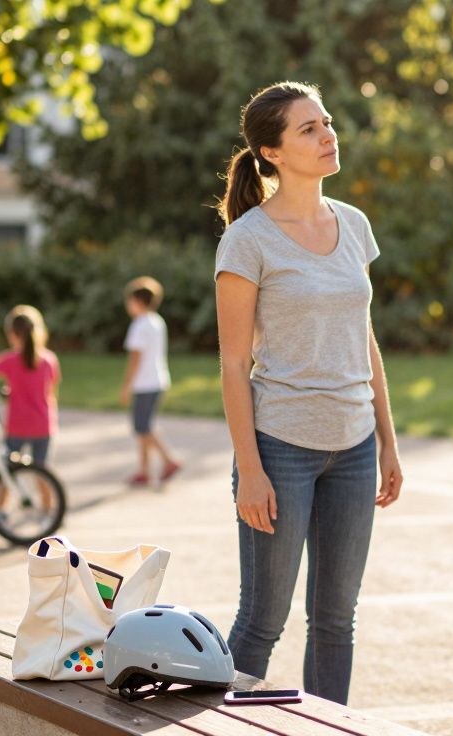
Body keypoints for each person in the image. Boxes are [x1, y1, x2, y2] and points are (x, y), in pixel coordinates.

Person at [213, 81, 403, 705]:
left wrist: (388, 443)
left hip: (354, 448)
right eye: (309, 129)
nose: (328, 136)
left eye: (327, 123)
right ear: (271, 152)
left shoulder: (354, 225)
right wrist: (250, 468)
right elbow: (235, 361)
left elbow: (364, 336)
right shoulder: (247, 239)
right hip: (280, 448)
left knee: (335, 622)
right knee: (262, 621)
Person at [0, 305, 62, 466]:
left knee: (7, 474)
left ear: (12, 334)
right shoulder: (49, 360)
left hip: (17, 425)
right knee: (44, 476)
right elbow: (51, 393)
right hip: (43, 425)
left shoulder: (10, 359)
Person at [121, 276, 180, 486]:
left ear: (138, 301)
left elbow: (135, 358)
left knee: (142, 427)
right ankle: (144, 470)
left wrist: (127, 385)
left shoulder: (139, 325)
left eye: (129, 301)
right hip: (158, 380)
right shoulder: (157, 322)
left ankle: (168, 460)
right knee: (145, 426)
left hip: (144, 383)